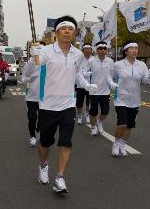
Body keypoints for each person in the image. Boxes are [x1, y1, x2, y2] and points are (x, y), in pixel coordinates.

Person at [30, 16, 97, 193]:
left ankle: (60, 178)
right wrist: (34, 55)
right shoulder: (46, 51)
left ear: (74, 33)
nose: (67, 31)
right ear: (57, 32)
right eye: (63, 28)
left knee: (66, 142)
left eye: (71, 29)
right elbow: (34, 67)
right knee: (45, 142)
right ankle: (43, 165)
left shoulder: (78, 54)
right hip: (48, 105)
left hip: (68, 104)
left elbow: (78, 75)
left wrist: (86, 84)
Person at [111, 40, 150, 157]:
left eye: (136, 48)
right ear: (126, 51)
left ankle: (122, 145)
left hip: (135, 100)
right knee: (122, 124)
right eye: (132, 48)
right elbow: (111, 78)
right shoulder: (118, 65)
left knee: (130, 125)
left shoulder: (142, 65)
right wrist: (113, 85)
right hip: (121, 99)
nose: (135, 50)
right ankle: (116, 144)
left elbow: (145, 82)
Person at [87, 41, 117, 136]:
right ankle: (93, 127)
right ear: (96, 50)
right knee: (93, 112)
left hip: (105, 91)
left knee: (105, 111)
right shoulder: (91, 61)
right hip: (94, 91)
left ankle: (99, 122)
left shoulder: (110, 61)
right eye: (101, 48)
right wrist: (87, 82)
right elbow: (83, 72)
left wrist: (113, 83)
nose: (103, 50)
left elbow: (111, 76)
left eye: (105, 48)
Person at [21, 41, 46, 147]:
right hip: (31, 96)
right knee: (32, 117)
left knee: (42, 118)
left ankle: (38, 131)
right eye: (38, 48)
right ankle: (32, 136)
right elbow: (22, 79)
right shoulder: (30, 63)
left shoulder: (49, 63)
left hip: (45, 97)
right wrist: (30, 78)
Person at [76, 43, 93, 125]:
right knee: (79, 103)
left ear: (91, 50)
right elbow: (78, 72)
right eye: (86, 49)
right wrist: (87, 73)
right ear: (83, 50)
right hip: (80, 85)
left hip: (90, 85)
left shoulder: (93, 59)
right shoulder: (79, 59)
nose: (87, 51)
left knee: (88, 102)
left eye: (89, 49)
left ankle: (87, 115)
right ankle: (79, 116)